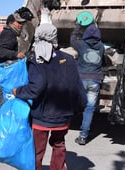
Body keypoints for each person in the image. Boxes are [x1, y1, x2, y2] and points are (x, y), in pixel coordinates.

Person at [13, 23, 87, 170]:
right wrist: (79, 107)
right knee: (59, 144)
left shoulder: (37, 61)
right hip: (64, 115)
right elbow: (77, 86)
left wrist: (18, 91)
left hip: (43, 116)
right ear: (54, 38)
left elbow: (36, 88)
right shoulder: (69, 59)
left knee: (37, 150)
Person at [0, 8, 33, 116]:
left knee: (5, 106)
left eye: (22, 23)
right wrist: (16, 54)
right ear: (10, 23)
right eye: (18, 23)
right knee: (2, 107)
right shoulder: (8, 34)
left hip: (5, 77)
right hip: (2, 77)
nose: (21, 25)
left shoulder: (12, 34)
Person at [70, 12, 105, 145]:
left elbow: (72, 39)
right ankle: (83, 135)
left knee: (74, 104)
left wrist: (78, 25)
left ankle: (62, 126)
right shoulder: (101, 47)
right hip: (95, 81)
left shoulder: (81, 45)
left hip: (81, 79)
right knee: (89, 108)